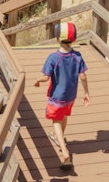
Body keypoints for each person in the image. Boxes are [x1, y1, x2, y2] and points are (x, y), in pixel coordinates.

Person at [34, 22, 89, 168]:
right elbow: (82, 76)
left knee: (55, 121)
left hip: (57, 96)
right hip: (71, 97)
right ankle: (59, 138)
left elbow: (46, 77)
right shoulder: (77, 56)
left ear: (56, 39)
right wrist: (86, 93)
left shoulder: (53, 58)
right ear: (74, 39)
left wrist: (38, 80)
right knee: (63, 116)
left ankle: (64, 152)